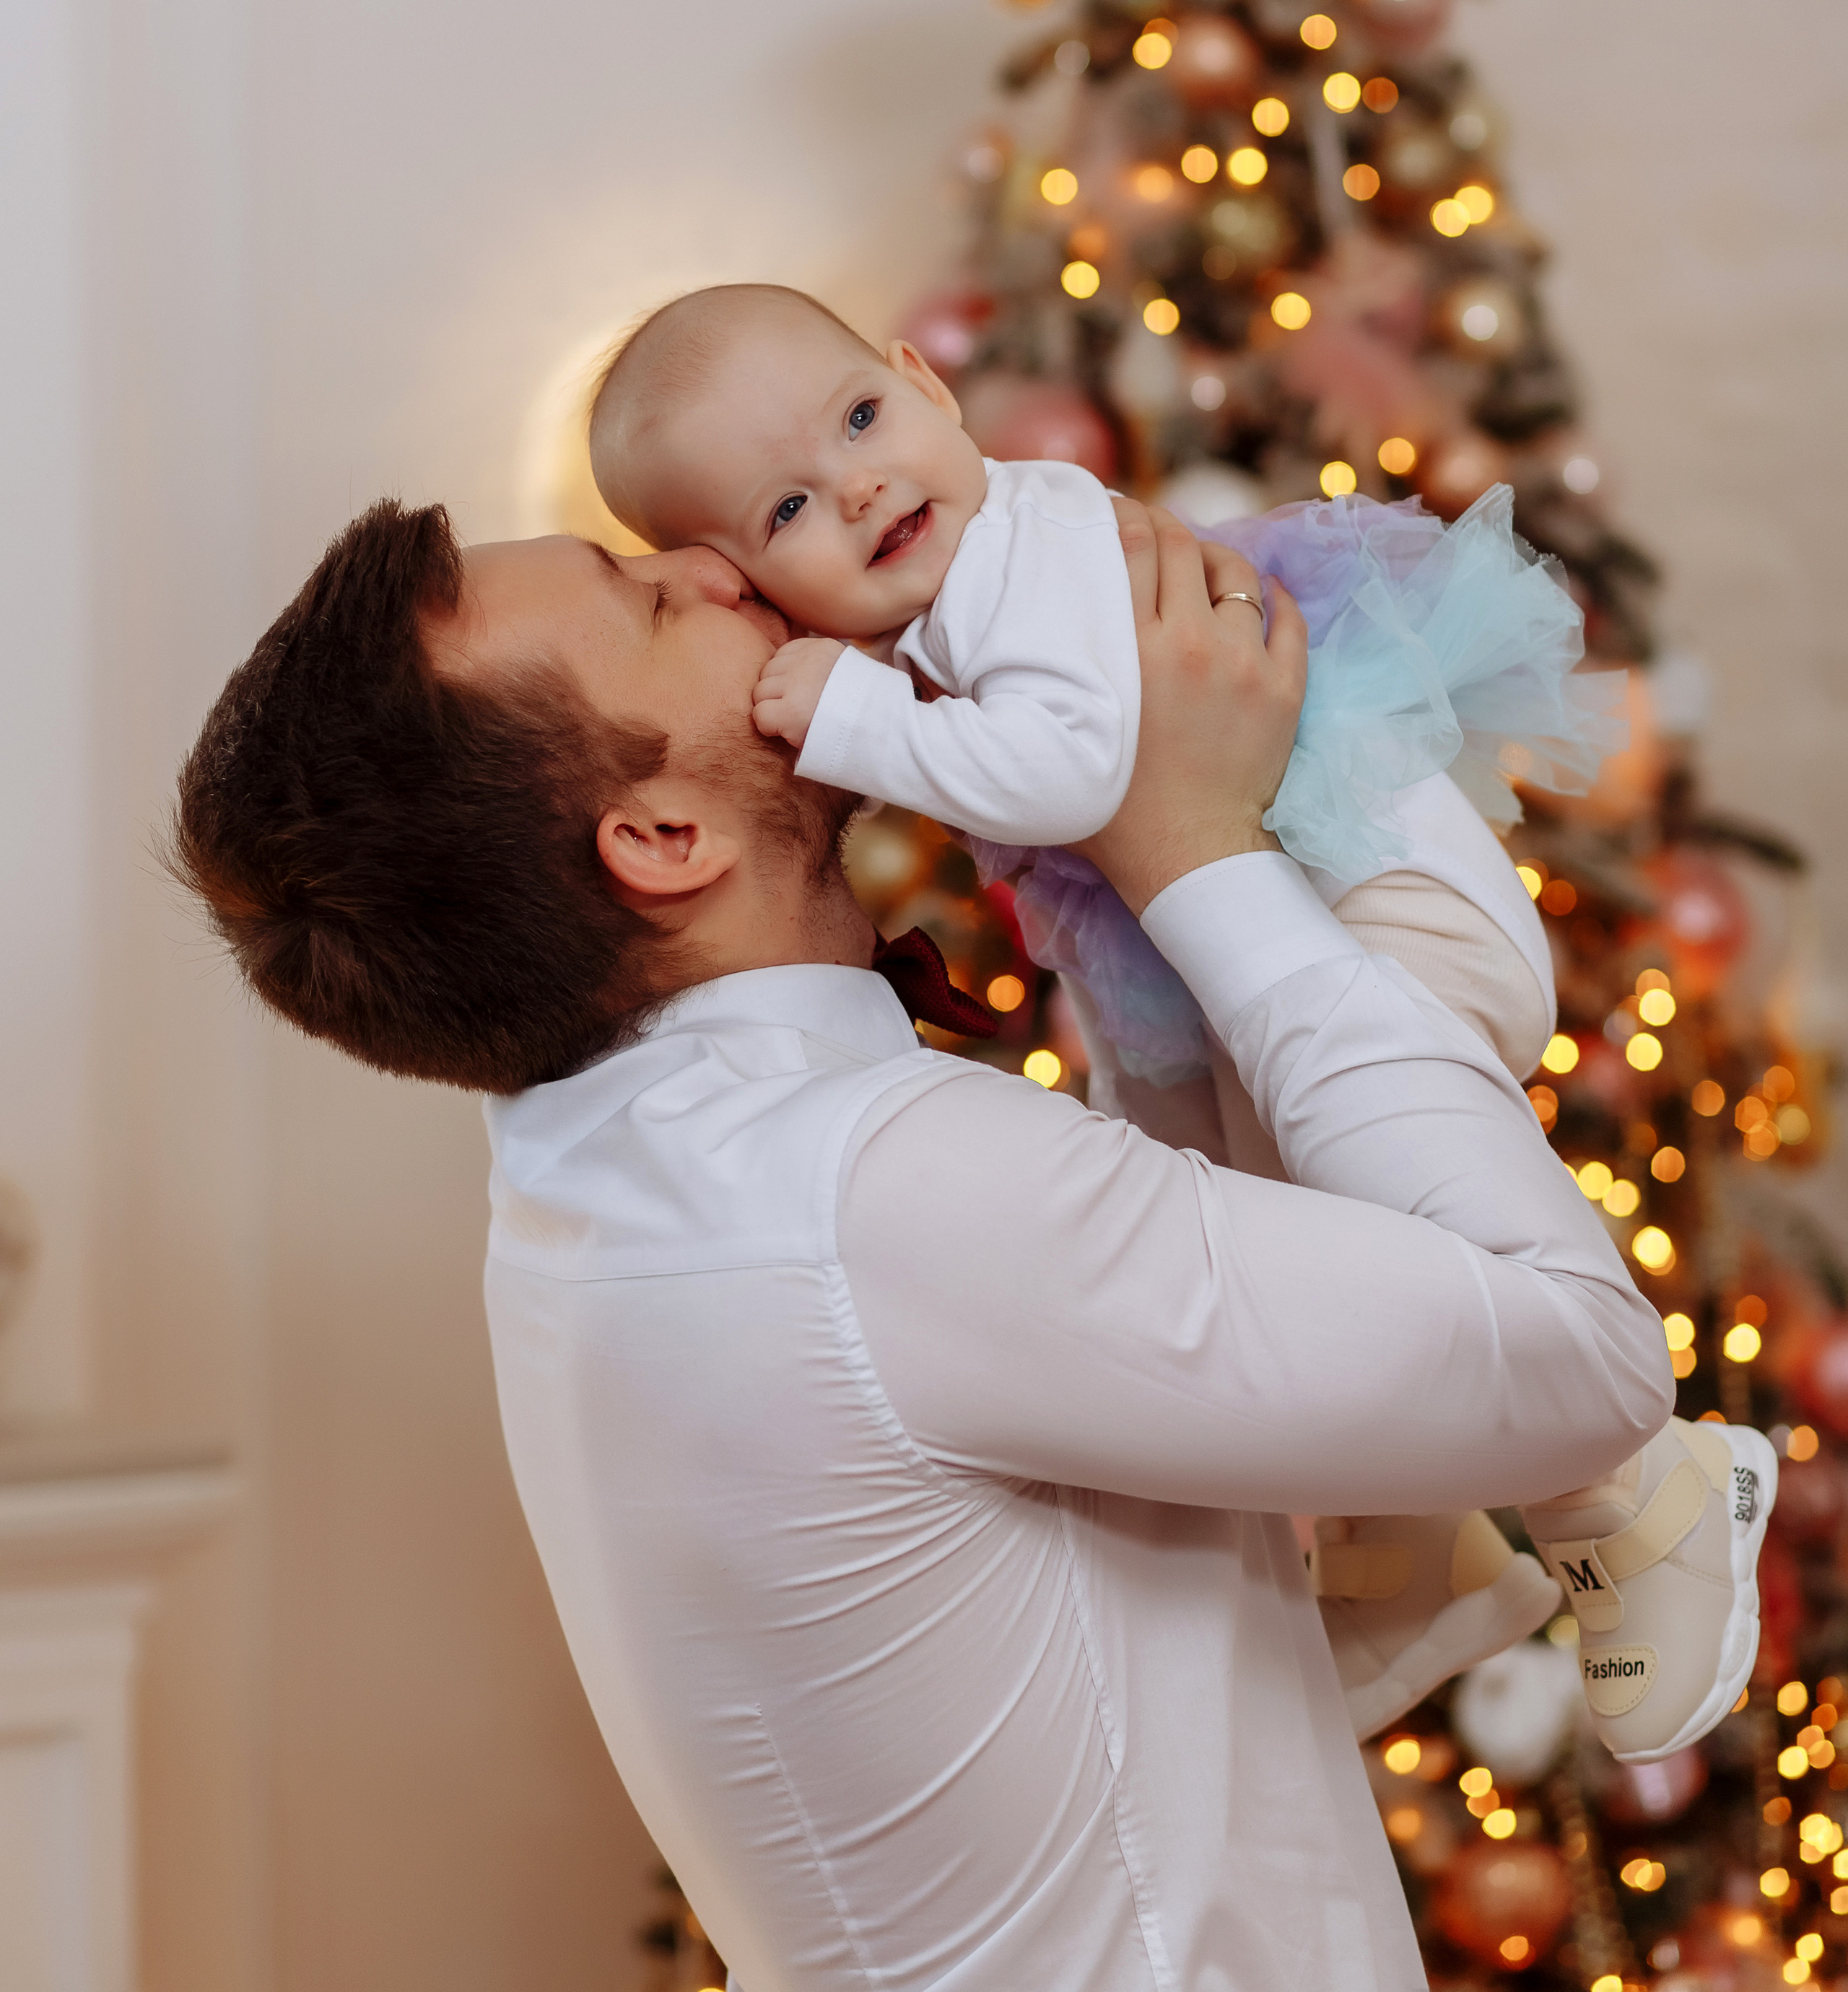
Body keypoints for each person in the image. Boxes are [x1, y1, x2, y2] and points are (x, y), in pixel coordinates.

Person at [170, 488, 1676, 1991]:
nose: (713, 564)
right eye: (645, 601)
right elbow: (1580, 1358)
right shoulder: (865, 1194)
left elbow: (1148, 1324)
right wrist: (1191, 851)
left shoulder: (625, 1165)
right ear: (663, 835)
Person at [585, 280, 1774, 1762]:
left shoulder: (1032, 547)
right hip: (1273, 934)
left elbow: (1079, 770)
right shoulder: (940, 607)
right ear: (746, 585)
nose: (860, 484)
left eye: (862, 417)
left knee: (1376, 1225)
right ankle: (1413, 1551)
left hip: (1379, 908)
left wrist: (852, 717)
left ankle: (1647, 1491)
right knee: (1301, 1257)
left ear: (923, 385)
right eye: (785, 510)